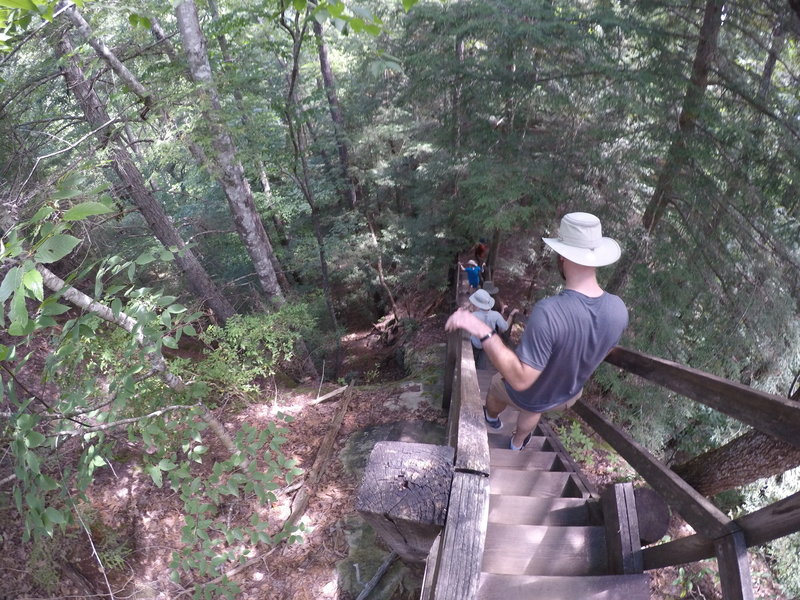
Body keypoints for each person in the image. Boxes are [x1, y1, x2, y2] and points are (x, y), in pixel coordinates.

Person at [445, 212, 628, 450]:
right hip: (567, 395)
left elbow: (520, 381)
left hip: (529, 394)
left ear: (562, 256)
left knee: (497, 387)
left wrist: (480, 328)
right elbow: (601, 350)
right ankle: (518, 443)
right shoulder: (619, 309)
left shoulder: (549, 311)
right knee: (535, 406)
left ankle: (491, 418)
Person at [466, 289, 517, 369]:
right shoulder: (496, 315)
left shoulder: (474, 315)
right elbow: (505, 327)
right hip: (487, 344)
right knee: (481, 365)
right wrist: (510, 315)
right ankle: (480, 375)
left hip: (475, 342)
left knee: (471, 361)